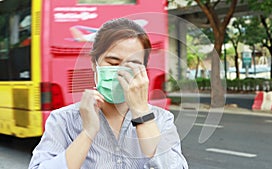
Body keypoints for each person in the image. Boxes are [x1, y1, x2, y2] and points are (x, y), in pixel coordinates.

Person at [29, 18, 188, 169]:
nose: (121, 72)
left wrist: (141, 114)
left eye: (133, 64)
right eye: (112, 63)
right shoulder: (64, 120)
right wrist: (87, 133)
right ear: (94, 64)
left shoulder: (161, 120)